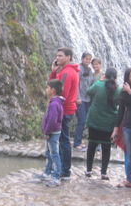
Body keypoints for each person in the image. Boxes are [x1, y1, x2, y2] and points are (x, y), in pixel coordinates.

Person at [85, 67, 121, 180]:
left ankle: (88, 170)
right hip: (109, 122)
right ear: (115, 78)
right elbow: (120, 102)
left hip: (94, 120)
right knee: (106, 148)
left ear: (104, 75)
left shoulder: (98, 85)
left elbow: (88, 92)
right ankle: (103, 173)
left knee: (92, 146)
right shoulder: (118, 89)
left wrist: (99, 81)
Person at [111, 68, 131, 191]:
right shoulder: (124, 92)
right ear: (127, 79)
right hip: (128, 127)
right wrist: (115, 129)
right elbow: (120, 112)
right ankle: (130, 180)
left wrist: (130, 91)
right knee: (130, 155)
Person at [50, 47, 79, 179]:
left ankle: (65, 170)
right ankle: (62, 168)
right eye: (57, 56)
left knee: (64, 141)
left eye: (61, 56)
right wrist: (54, 73)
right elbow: (55, 86)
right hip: (66, 109)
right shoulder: (66, 71)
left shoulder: (67, 72)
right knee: (62, 140)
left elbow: (62, 93)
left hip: (64, 110)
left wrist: (55, 111)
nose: (58, 58)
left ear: (68, 57)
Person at [41, 79, 64, 187]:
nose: (46, 89)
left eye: (47, 88)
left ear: (53, 90)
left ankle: (56, 176)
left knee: (54, 154)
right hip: (52, 132)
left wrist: (47, 131)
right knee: (49, 153)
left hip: (52, 133)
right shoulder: (55, 102)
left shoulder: (54, 104)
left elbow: (52, 120)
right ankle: (47, 172)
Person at [74, 52, 93, 151]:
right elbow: (76, 83)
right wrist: (77, 98)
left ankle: (79, 142)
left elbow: (91, 83)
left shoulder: (89, 70)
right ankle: (77, 143)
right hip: (80, 99)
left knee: (84, 121)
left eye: (90, 59)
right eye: (86, 59)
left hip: (87, 99)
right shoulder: (79, 69)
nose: (88, 61)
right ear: (82, 59)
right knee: (81, 121)